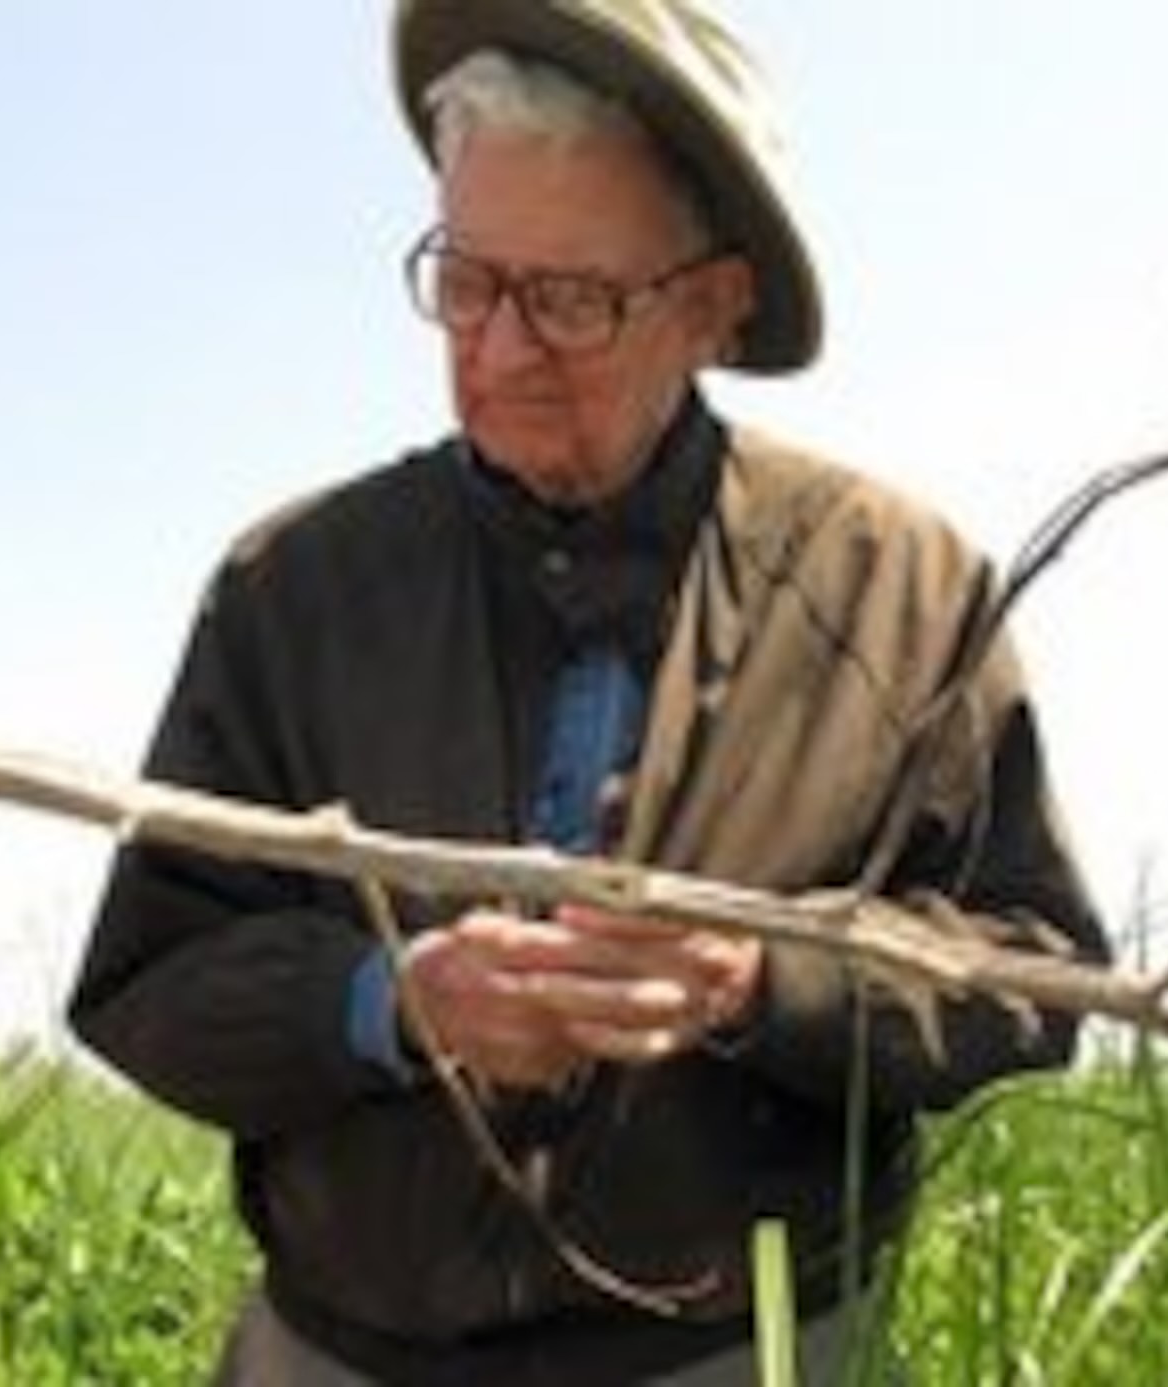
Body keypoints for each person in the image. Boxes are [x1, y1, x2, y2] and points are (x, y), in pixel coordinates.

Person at [68, 2, 1109, 1383]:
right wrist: (390, 1003)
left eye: (569, 301)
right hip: (337, 1357)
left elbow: (1032, 974)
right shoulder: (290, 589)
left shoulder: (899, 590)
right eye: (465, 282)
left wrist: (761, 982)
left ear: (713, 303)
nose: (494, 355)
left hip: (754, 1357)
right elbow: (148, 983)